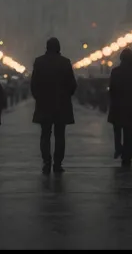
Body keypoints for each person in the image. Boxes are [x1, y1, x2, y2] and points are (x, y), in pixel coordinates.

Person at [31, 37, 77, 175]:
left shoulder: (39, 62)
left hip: (44, 104)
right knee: (60, 135)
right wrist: (66, 95)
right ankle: (57, 163)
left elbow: (34, 84)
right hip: (61, 104)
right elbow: (72, 84)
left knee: (45, 134)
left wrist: (39, 97)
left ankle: (46, 162)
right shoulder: (65, 62)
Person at [107, 48, 132, 167]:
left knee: (117, 130)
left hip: (118, 106)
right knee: (129, 132)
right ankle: (127, 156)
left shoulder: (115, 72)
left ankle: (118, 148)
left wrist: (112, 101)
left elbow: (111, 89)